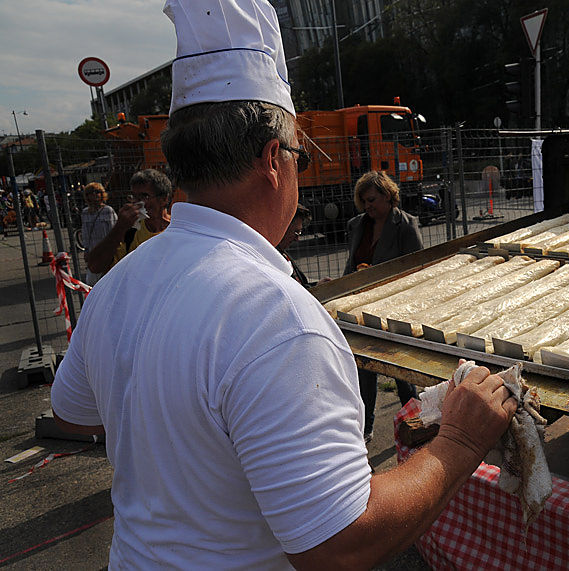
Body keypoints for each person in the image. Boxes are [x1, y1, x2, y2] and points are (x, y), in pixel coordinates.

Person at [50, 1, 516, 568]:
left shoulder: (119, 283)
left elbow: (73, 411)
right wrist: (460, 444)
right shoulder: (277, 317)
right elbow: (339, 543)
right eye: (298, 155)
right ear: (274, 159)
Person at [344, 170, 424, 441]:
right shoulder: (357, 225)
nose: (368, 206)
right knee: (365, 369)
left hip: (395, 307)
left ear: (389, 197)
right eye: (364, 201)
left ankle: (414, 423)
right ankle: (366, 429)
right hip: (362, 307)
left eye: (373, 200)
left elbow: (417, 269)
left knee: (401, 370)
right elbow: (351, 264)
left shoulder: (406, 225)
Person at [85, 169, 172, 276]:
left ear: (164, 199)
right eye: (134, 197)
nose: (138, 202)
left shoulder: (176, 229)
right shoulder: (130, 232)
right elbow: (94, 266)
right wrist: (119, 228)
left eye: (145, 196)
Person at [78, 182, 118, 285]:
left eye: (97, 192)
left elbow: (115, 230)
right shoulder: (85, 212)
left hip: (108, 250)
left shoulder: (108, 211)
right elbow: (85, 233)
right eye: (91, 193)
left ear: (102, 194)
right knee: (92, 281)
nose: (94, 195)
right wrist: (86, 249)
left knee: (110, 279)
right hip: (93, 251)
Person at [276, 202, 313, 288]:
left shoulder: (282, 253)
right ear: (283, 228)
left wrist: (318, 286)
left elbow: (302, 287)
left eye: (299, 232)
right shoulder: (273, 260)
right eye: (296, 232)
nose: (297, 239)